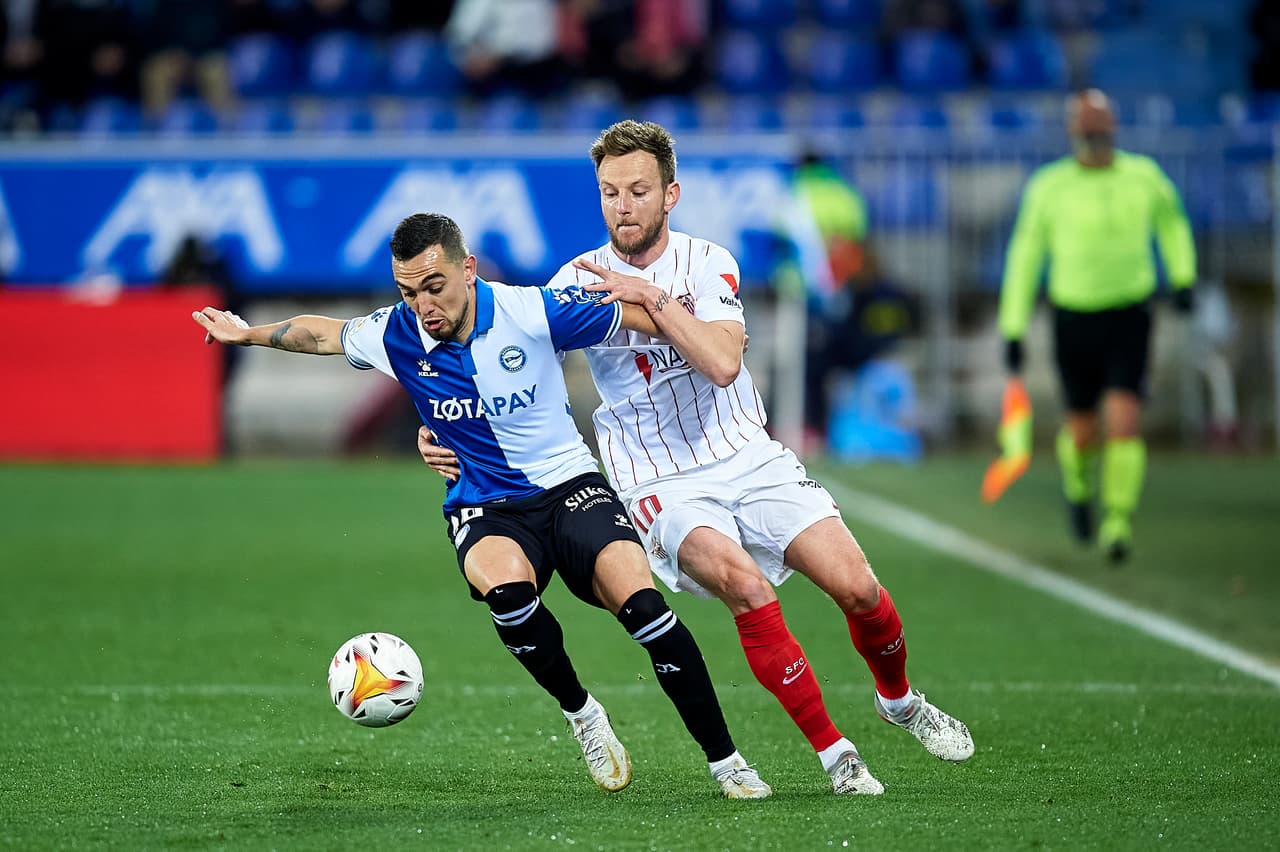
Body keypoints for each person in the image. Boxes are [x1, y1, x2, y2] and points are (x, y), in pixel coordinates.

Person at [419, 121, 974, 795]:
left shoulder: (708, 264)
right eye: (610, 192)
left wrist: (650, 300)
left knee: (859, 589)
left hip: (745, 453)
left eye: (638, 191)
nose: (623, 206)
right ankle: (837, 756)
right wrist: (452, 428)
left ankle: (899, 700)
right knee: (745, 585)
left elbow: (721, 361)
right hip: (656, 478)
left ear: (670, 195)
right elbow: (505, 358)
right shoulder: (577, 281)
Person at [191, 212, 771, 800]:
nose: (423, 306)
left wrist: (714, 335)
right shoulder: (395, 333)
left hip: (570, 485)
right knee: (507, 593)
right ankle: (583, 715)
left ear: (467, 271)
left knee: (646, 610)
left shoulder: (533, 309)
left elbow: (637, 316)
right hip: (485, 504)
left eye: (434, 286)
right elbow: (323, 333)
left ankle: (728, 763)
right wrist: (248, 333)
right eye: (408, 292)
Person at [998, 89, 1196, 562]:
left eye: (1099, 128)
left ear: (1113, 130)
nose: (1093, 136)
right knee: (1083, 428)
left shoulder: (1144, 177)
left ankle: (1118, 521)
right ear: (1072, 133)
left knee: (1125, 419)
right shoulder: (1050, 186)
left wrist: (1183, 276)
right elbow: (1026, 256)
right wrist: (1013, 325)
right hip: (1073, 318)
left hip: (1130, 313)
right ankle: (1080, 487)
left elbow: (1173, 226)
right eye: (1085, 128)